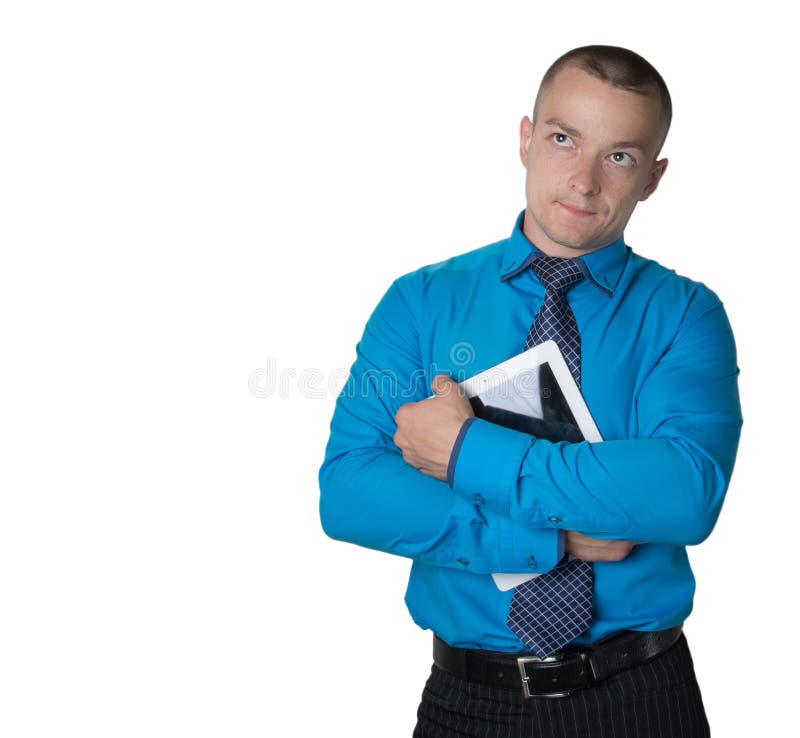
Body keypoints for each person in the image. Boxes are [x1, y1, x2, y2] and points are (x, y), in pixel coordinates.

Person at [319, 45, 742, 737]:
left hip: (642, 697)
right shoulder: (420, 303)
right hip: (467, 702)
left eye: (619, 156)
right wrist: (552, 537)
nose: (583, 181)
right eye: (563, 139)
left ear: (653, 177)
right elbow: (350, 492)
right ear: (525, 139)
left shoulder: (686, 315)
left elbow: (686, 492)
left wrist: (464, 449)